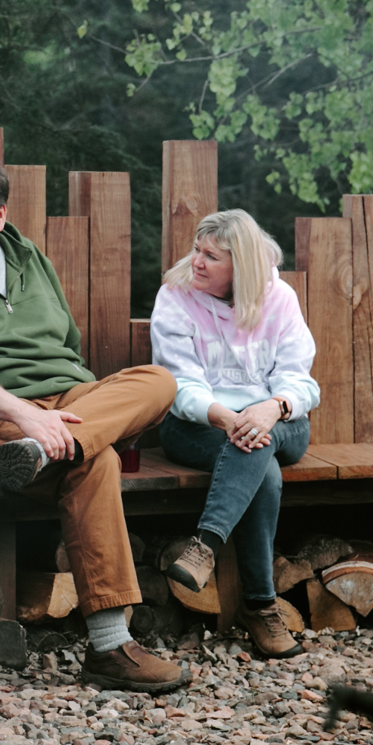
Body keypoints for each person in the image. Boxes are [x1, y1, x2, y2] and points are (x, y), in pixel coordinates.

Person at [0, 151, 187, 695]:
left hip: (63, 404)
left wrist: (68, 416)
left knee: (159, 381)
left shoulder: (28, 259)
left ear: (0, 216)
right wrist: (27, 413)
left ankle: (52, 447)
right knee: (95, 458)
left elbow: (66, 346)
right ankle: (109, 647)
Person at [148, 208, 319, 659]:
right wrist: (228, 418)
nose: (197, 262)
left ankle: (204, 544)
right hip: (198, 424)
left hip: (279, 421)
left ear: (240, 265)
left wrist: (271, 408)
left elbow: (300, 380)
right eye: (197, 250)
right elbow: (178, 383)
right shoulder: (176, 296)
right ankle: (260, 607)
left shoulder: (278, 297)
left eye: (211, 256)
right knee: (263, 472)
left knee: (259, 447)